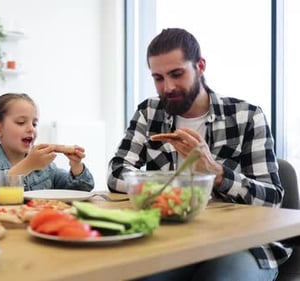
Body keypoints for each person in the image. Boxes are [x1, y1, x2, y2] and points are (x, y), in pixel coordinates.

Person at [108, 28, 290, 281]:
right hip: (168, 237)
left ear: (200, 66)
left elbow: (273, 200)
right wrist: (170, 190)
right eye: (158, 78)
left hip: (239, 242)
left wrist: (216, 174)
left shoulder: (247, 116)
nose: (168, 87)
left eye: (177, 74)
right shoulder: (149, 112)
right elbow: (117, 172)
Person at [0, 93, 94, 202]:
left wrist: (76, 165)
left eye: (34, 124)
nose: (31, 128)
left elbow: (80, 190)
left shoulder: (46, 167)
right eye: (21, 122)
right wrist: (28, 165)